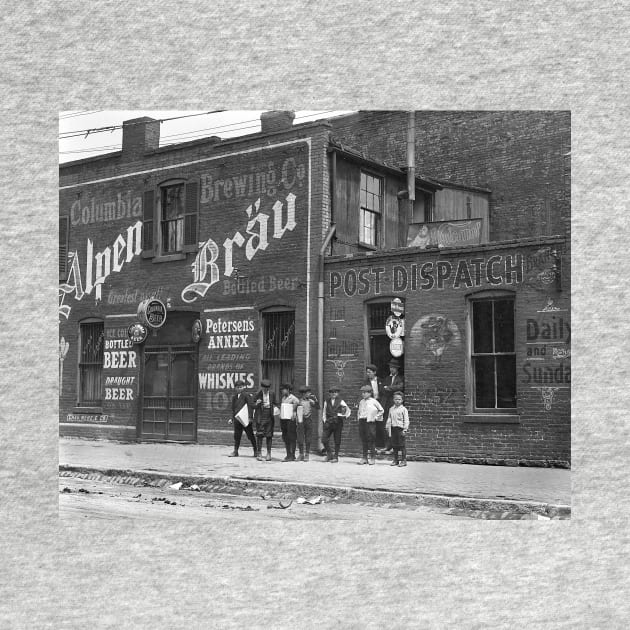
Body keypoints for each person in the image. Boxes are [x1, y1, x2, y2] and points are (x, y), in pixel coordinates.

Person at [228, 379, 258, 458]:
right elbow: (233, 409)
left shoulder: (246, 395)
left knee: (250, 435)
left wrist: (250, 417)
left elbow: (250, 406)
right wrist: (232, 418)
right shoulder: (234, 397)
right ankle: (235, 451)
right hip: (237, 420)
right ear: (235, 388)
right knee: (237, 435)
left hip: (245, 419)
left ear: (244, 387)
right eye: (237, 387)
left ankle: (256, 450)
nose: (239, 389)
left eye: (241, 387)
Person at [321, 385, 351, 463]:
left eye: (335, 392)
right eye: (332, 392)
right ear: (330, 393)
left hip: (338, 423)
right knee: (324, 439)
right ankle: (329, 454)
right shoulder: (326, 401)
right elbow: (324, 412)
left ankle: (336, 456)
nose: (333, 394)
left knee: (337, 440)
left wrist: (342, 415)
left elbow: (348, 410)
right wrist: (325, 420)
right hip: (329, 422)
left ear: (337, 393)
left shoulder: (341, 401)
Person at [380, 358, 404, 454]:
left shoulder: (400, 378)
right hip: (386, 405)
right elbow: (382, 389)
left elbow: (400, 387)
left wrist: (388, 388)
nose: (391, 369)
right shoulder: (387, 378)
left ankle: (395, 447)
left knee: (396, 426)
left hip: (395, 405)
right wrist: (388, 389)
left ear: (397, 369)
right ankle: (387, 446)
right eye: (390, 367)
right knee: (386, 425)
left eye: (393, 368)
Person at [357, 384, 384, 465]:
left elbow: (381, 410)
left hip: (370, 422)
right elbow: (359, 411)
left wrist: (375, 417)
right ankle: (364, 458)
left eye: (365, 392)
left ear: (370, 393)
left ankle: (372, 458)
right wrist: (359, 419)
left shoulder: (374, 401)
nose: (363, 394)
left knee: (371, 439)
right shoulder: (361, 401)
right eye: (362, 392)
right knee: (364, 439)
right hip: (362, 421)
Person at [253, 378, 277, 461]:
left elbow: (276, 403)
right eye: (264, 388)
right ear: (262, 387)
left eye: (267, 388)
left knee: (269, 435)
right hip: (260, 415)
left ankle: (269, 453)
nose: (266, 390)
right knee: (259, 435)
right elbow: (252, 405)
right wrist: (256, 403)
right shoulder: (258, 394)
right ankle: (259, 453)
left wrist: (278, 409)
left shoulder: (272, 394)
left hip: (269, 416)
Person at [364, 363, 385, 450]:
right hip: (371, 404)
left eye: (369, 372)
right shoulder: (365, 382)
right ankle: (372, 446)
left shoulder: (381, 380)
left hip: (380, 403)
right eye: (367, 372)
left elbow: (384, 392)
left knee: (380, 424)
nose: (368, 374)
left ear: (374, 372)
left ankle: (381, 444)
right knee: (371, 425)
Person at [386, 391, 410, 466]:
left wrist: (405, 429)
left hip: (400, 429)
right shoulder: (391, 409)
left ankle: (404, 460)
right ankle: (395, 460)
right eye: (396, 399)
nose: (397, 401)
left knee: (402, 445)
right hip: (393, 428)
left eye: (399, 399)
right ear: (393, 399)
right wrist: (387, 427)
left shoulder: (404, 409)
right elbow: (389, 418)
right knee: (394, 445)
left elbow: (406, 420)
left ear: (402, 400)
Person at [297, 385, 319, 461]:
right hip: (300, 421)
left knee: (308, 437)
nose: (309, 394)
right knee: (300, 437)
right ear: (303, 393)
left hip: (308, 420)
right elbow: (295, 410)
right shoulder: (298, 401)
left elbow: (318, 407)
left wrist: (316, 400)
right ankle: (301, 454)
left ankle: (307, 454)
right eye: (307, 393)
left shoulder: (310, 401)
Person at [279, 383, 300, 462]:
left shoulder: (293, 398)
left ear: (288, 389)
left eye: (283, 389)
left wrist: (294, 411)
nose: (282, 391)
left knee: (291, 437)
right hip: (284, 419)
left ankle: (292, 455)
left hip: (290, 420)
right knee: (285, 437)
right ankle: (288, 454)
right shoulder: (283, 398)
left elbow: (298, 404)